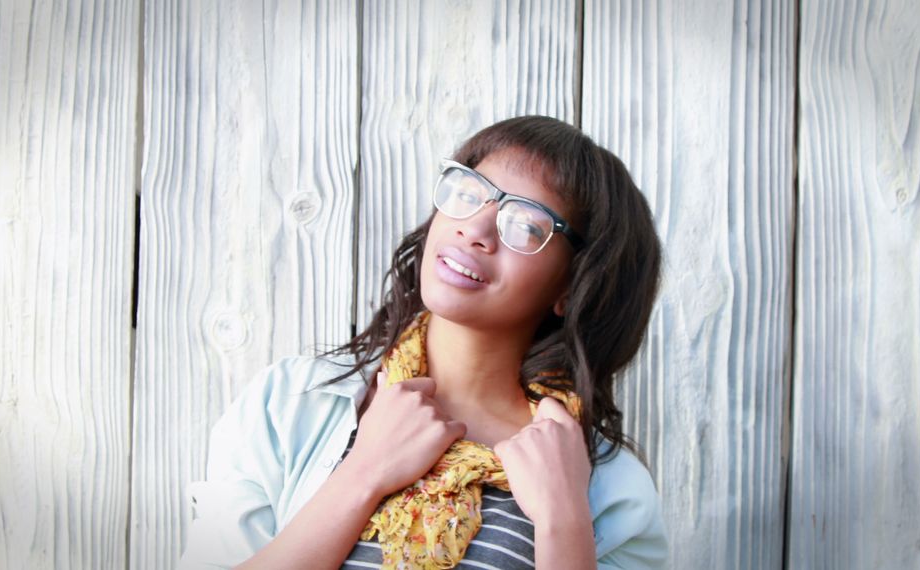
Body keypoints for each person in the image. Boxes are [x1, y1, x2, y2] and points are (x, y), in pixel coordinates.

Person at [180, 116, 667, 569]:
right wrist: (363, 473)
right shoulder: (288, 403)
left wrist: (565, 522)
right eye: (470, 192)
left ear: (572, 285)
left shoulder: (611, 489)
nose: (474, 228)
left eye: (524, 224)